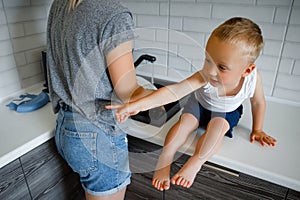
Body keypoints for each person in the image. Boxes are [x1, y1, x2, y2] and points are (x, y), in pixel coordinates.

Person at [106, 17, 277, 191]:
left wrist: (257, 129)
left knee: (217, 128)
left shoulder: (253, 81)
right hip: (199, 105)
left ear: (247, 70)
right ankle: (165, 160)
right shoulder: (205, 76)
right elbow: (173, 92)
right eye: (208, 60)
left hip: (226, 112)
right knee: (185, 123)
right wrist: (137, 105)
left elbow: (258, 102)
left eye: (222, 67)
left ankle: (196, 162)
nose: (210, 71)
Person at [47, 0, 154, 199]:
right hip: (98, 134)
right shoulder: (115, 15)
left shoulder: (62, 3)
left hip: (65, 127)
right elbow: (128, 93)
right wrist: (168, 93)